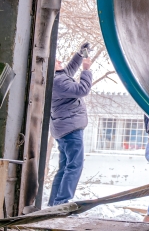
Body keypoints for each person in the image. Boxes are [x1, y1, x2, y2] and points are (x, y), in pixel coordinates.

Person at [48, 42, 92, 206]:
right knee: (75, 166)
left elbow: (70, 69)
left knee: (64, 167)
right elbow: (83, 90)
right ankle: (62, 202)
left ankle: (54, 204)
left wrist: (80, 54)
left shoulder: (57, 78)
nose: (59, 61)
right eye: (56, 61)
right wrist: (86, 70)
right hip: (71, 130)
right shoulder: (58, 82)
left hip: (64, 129)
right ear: (50, 66)